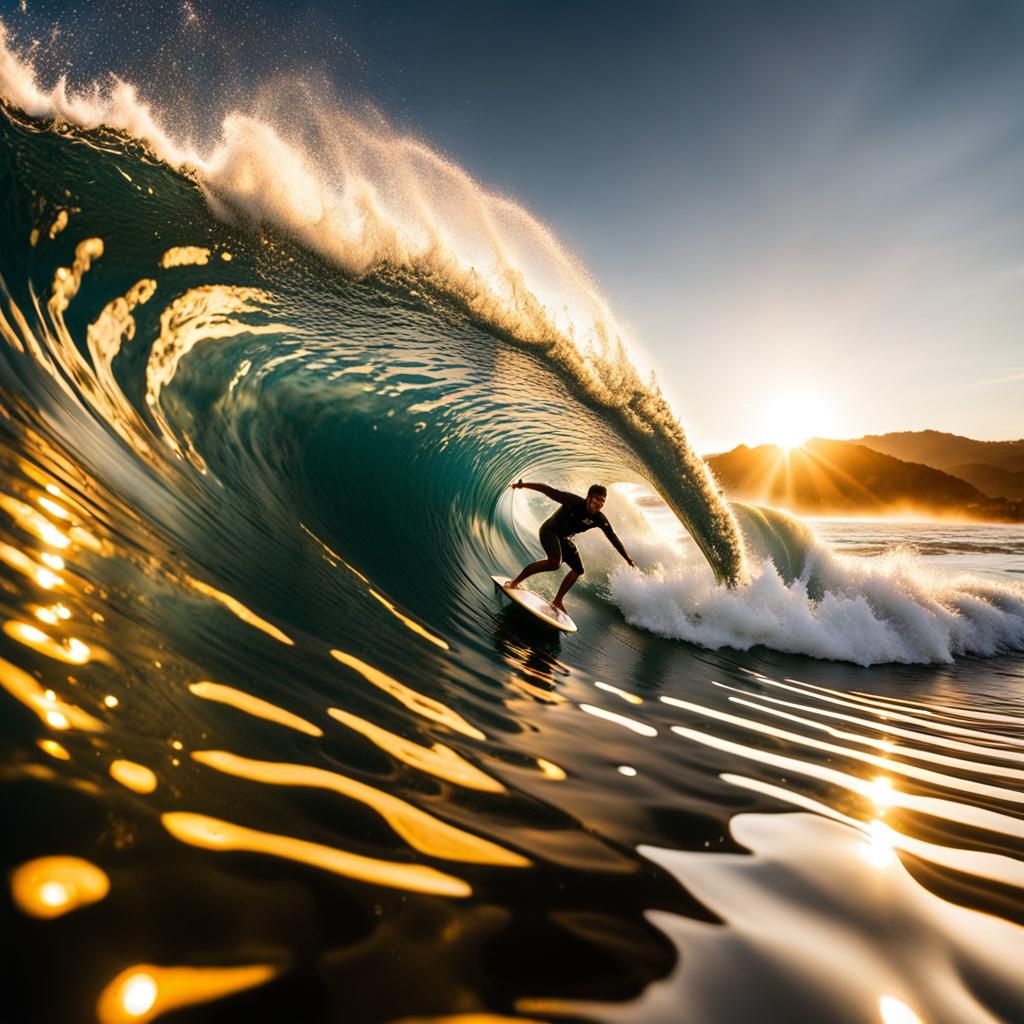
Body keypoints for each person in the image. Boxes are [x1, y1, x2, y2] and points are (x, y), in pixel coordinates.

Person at [507, 480, 637, 613]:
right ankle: (515, 582)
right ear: (589, 497)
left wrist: (628, 559)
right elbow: (548, 490)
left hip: (565, 538)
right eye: (597, 499)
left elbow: (612, 537)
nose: (600, 504)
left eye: (603, 501)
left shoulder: (599, 518)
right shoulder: (573, 501)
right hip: (549, 531)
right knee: (554, 563)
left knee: (578, 570)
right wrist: (522, 485)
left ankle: (557, 601)